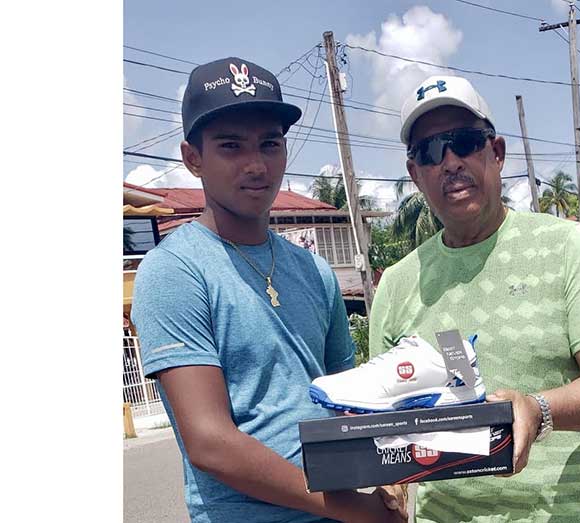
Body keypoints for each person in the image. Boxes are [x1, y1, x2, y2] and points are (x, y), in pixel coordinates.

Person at [131, 57, 406, 523]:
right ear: (192, 157)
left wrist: (394, 466)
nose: (255, 164)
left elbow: (346, 403)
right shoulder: (173, 271)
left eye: (269, 144)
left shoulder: (314, 271)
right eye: (231, 146)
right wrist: (352, 510)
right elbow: (210, 443)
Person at [369, 75, 580, 523]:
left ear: (495, 153)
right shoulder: (396, 284)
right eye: (430, 151)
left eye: (464, 142)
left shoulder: (566, 246)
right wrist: (388, 482)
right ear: (416, 174)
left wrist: (539, 408)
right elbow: (386, 421)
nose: (450, 161)